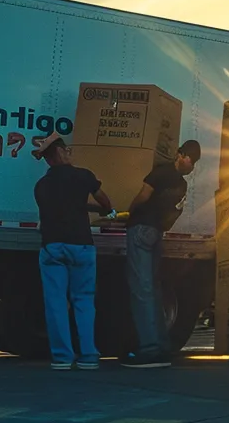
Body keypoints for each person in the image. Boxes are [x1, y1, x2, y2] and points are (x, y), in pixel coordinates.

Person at [33, 135, 116, 371]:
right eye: (67, 150)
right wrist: (107, 211)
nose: (70, 153)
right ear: (59, 153)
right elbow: (104, 201)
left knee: (56, 302)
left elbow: (53, 210)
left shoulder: (40, 186)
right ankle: (88, 354)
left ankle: (61, 357)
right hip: (81, 246)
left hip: (52, 248)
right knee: (84, 301)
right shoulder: (84, 176)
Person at [121, 140, 202, 369]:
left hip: (141, 230)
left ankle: (149, 348)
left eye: (194, 162)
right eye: (190, 159)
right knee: (154, 289)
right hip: (157, 233)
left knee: (142, 290)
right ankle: (161, 344)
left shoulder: (160, 173)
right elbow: (173, 214)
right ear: (180, 154)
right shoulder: (181, 185)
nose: (191, 165)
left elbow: (143, 197)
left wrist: (129, 214)